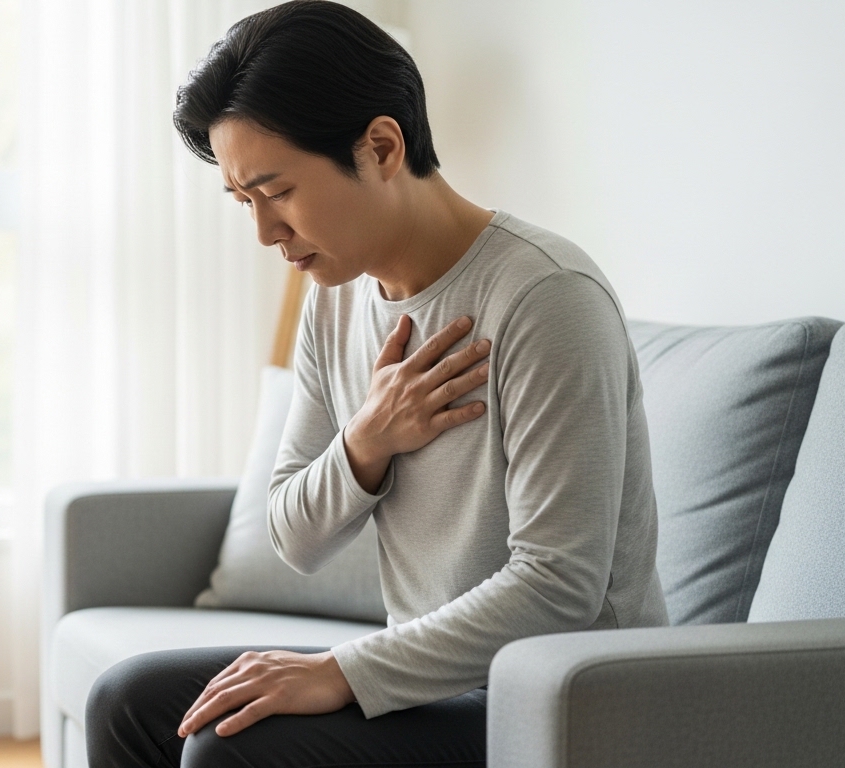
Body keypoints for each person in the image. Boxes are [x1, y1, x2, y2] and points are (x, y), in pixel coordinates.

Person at [83, 2, 670, 766]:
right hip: (441, 680)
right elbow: (293, 536)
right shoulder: (334, 297)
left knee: (230, 749)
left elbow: (560, 584)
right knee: (127, 703)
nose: (265, 232)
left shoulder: (546, 297)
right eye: (243, 201)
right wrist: (367, 441)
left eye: (278, 191)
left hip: (571, 700)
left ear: (382, 146)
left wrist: (342, 672)